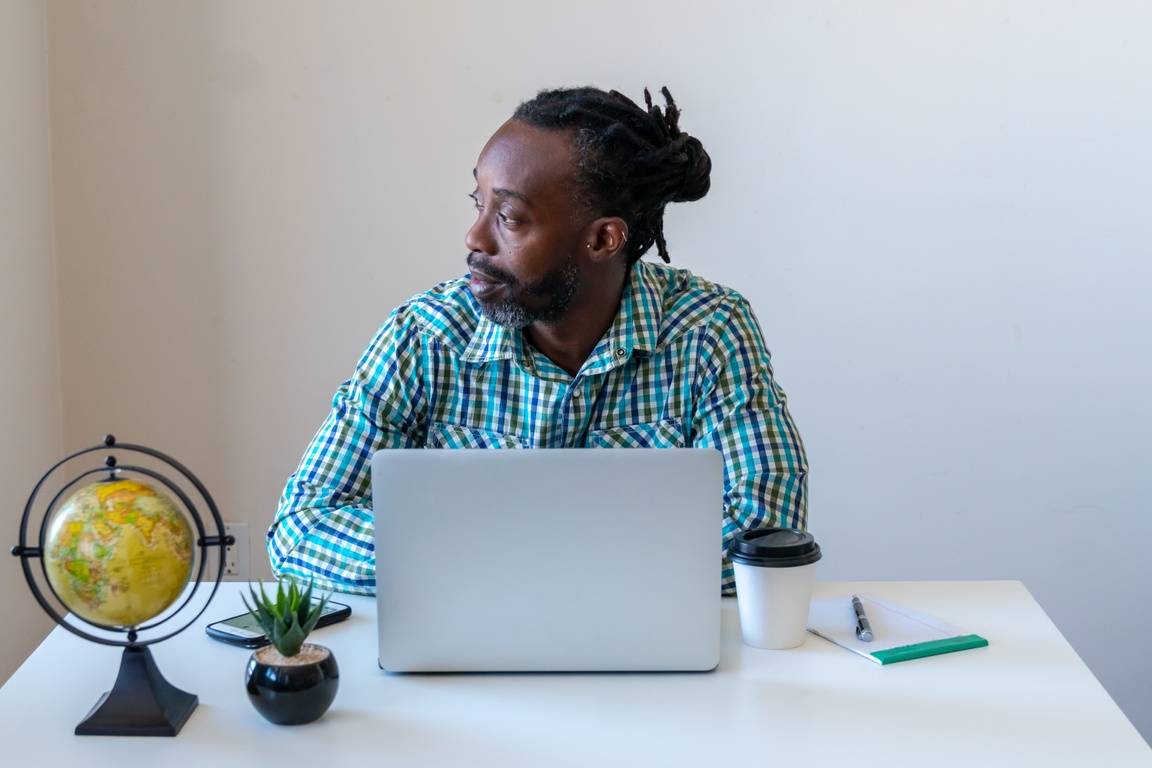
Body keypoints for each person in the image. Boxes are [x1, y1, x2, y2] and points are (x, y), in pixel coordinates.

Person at [267, 86, 808, 595]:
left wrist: (502, 567)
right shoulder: (424, 336)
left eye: (507, 216)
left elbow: (766, 528)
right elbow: (304, 525)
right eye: (477, 203)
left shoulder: (708, 331)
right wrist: (544, 570)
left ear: (602, 238)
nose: (474, 237)